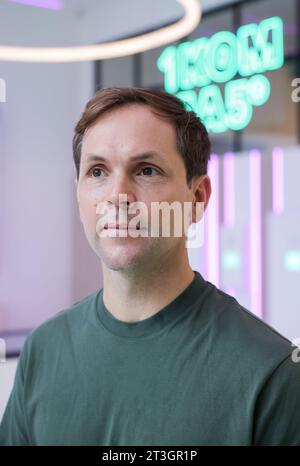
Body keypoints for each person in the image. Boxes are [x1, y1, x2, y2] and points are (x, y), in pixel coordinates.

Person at [1, 87, 300, 446]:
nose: (118, 196)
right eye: (97, 171)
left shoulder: (271, 373)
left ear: (197, 198)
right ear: (79, 194)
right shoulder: (43, 352)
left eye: (146, 170)